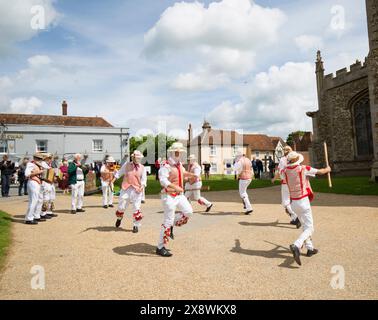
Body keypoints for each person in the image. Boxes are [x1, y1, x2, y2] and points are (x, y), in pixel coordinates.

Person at [283, 151, 331, 266]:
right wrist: (328, 169)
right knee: (310, 228)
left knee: (304, 225)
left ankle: (310, 248)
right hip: (303, 201)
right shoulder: (304, 168)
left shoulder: (284, 171)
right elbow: (320, 172)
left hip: (293, 202)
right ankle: (297, 244)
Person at [156, 142, 197, 257]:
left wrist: (192, 175)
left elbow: (183, 173)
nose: (180, 154)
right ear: (172, 152)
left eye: (181, 152)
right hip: (168, 195)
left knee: (189, 212)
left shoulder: (179, 165)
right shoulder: (166, 165)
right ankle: (160, 247)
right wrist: (175, 187)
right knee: (167, 220)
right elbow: (163, 181)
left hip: (178, 195)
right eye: (177, 152)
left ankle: (172, 223)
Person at [114, 150, 147, 233]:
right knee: (121, 207)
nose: (137, 159)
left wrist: (142, 187)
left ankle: (136, 225)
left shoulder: (142, 168)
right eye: (136, 157)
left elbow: (143, 180)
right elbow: (119, 173)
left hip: (137, 190)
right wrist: (112, 180)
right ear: (133, 157)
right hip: (126, 189)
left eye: (139, 158)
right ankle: (119, 218)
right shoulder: (127, 165)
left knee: (136, 207)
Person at [272, 146, 301, 228]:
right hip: (295, 182)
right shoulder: (296, 158)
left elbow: (280, 171)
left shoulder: (283, 159)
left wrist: (274, 179)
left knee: (285, 203)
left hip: (286, 183)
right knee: (292, 202)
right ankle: (294, 219)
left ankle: (296, 217)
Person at [24, 153, 45, 224]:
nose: (40, 160)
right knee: (33, 201)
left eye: (41, 159)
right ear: (35, 158)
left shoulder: (38, 165)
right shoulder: (30, 164)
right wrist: (40, 172)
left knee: (35, 201)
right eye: (39, 159)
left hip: (36, 183)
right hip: (33, 182)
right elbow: (27, 174)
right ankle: (29, 218)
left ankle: (32, 216)